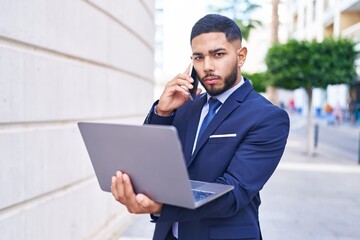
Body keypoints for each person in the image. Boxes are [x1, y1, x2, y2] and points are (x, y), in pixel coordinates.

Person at [111, 14, 290, 240]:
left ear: (241, 56)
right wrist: (162, 112)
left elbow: (234, 193)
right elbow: (152, 161)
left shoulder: (267, 117)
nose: (207, 66)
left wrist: (161, 206)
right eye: (199, 57)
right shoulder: (186, 106)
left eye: (218, 54)